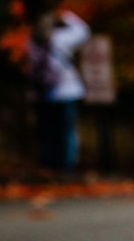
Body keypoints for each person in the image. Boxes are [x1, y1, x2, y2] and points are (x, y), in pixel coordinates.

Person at [28, 9, 91, 171]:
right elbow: (83, 31)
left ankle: (52, 163)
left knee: (50, 131)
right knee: (65, 130)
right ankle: (66, 164)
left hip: (44, 93)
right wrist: (67, 15)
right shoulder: (60, 39)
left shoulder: (32, 43)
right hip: (65, 91)